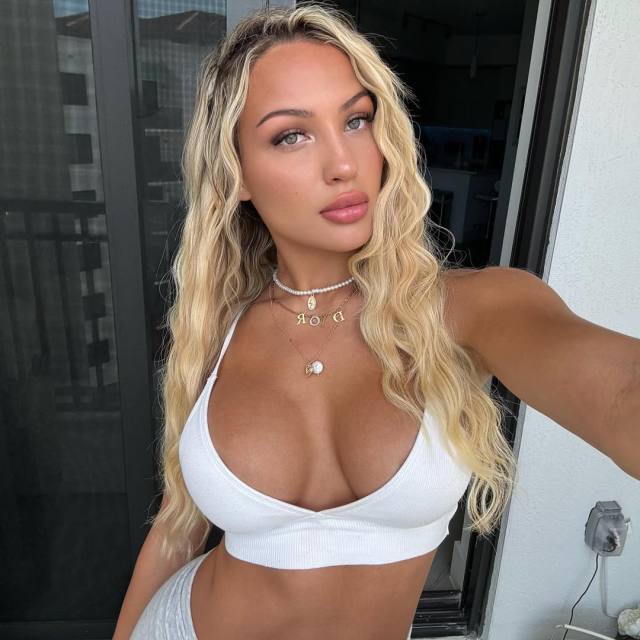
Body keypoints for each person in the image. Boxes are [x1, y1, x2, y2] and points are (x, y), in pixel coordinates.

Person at [113, 4, 640, 639]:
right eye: (291, 135)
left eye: (357, 120)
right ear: (238, 174)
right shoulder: (217, 330)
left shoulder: (470, 309)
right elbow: (178, 526)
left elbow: (623, 392)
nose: (344, 163)